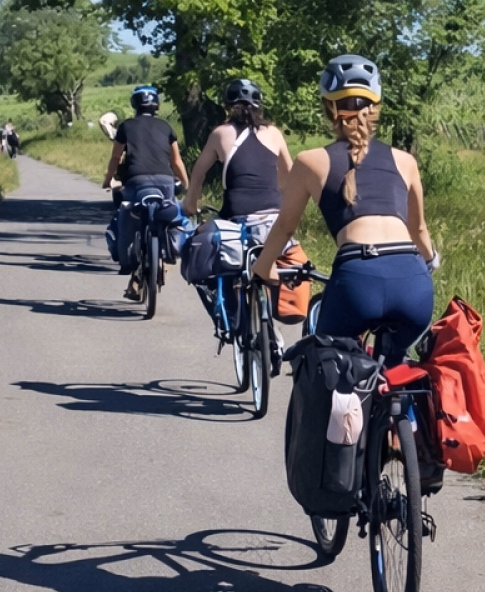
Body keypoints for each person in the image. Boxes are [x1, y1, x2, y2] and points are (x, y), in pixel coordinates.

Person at [251, 55, 437, 366]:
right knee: (397, 368)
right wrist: (430, 262)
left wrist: (263, 266)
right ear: (375, 108)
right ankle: (404, 408)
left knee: (326, 368)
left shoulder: (311, 161)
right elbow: (419, 231)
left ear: (328, 108)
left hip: (358, 279)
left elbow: (285, 227)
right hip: (413, 281)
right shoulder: (405, 160)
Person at [104, 86, 190, 298]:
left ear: (135, 104)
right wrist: (186, 183)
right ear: (156, 105)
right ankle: (163, 258)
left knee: (130, 217)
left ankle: (133, 266)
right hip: (165, 182)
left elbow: (116, 158)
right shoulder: (166, 127)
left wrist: (108, 179)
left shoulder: (126, 127)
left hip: (135, 182)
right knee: (168, 218)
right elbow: (176, 161)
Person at [181, 79, 293, 231]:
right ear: (259, 106)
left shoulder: (220, 133)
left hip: (235, 215)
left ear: (227, 107)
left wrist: (191, 205)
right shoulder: (273, 132)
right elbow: (290, 176)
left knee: (196, 240)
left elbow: (198, 173)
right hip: (274, 215)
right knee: (291, 252)